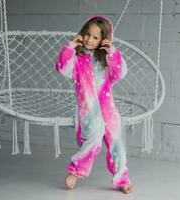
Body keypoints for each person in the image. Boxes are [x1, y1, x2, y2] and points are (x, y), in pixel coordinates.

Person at [55, 15, 133, 194]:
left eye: (95, 37)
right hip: (88, 108)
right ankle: (75, 170)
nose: (90, 39)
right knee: (94, 137)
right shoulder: (78, 59)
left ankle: (122, 178)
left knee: (116, 142)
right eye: (87, 34)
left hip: (107, 107)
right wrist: (69, 47)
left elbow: (120, 73)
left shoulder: (106, 59)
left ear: (103, 39)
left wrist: (111, 52)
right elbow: (62, 68)